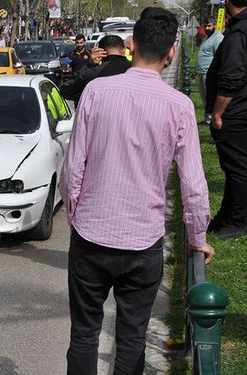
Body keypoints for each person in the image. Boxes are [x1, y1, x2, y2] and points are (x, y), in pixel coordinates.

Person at [60, 7, 214, 374]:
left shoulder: (96, 91)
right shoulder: (178, 106)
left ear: (131, 46)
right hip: (143, 241)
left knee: (84, 334)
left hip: (91, 236)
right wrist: (198, 235)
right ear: (172, 51)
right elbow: (193, 182)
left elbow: (72, 167)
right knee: (132, 338)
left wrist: (77, 214)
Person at [206, 0, 247, 239]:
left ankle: (238, 220)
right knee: (234, 167)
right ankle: (228, 214)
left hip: (235, 113)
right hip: (240, 109)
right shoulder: (238, 29)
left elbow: (232, 76)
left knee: (238, 169)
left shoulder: (238, 33)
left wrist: (218, 113)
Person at [59, 35, 131, 102]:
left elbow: (66, 91)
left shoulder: (96, 73)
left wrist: (89, 66)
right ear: (124, 50)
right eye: (77, 42)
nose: (79, 45)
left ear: (100, 52)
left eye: (81, 42)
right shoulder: (136, 70)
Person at [194, 19, 223, 126]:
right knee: (204, 98)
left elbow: (219, 57)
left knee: (210, 98)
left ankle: (212, 120)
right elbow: (203, 55)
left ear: (214, 25)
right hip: (201, 73)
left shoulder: (218, 37)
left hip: (209, 74)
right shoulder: (207, 37)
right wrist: (195, 71)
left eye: (209, 26)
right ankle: (207, 120)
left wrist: (215, 74)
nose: (207, 28)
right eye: (205, 26)